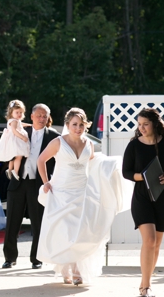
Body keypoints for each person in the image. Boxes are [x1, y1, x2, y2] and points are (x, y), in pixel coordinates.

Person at [36, 108, 125, 284]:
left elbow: (93, 162)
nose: (78, 128)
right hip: (61, 192)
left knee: (81, 231)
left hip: (82, 192)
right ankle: (66, 267)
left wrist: (110, 165)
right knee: (65, 231)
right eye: (74, 124)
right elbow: (41, 160)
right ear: (68, 125)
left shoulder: (89, 144)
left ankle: (76, 269)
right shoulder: (58, 142)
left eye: (81, 125)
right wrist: (46, 182)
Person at [122, 108, 164, 297]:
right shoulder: (133, 146)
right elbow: (126, 172)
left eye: (145, 124)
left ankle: (145, 281)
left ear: (155, 124)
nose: (141, 128)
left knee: (156, 245)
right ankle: (146, 287)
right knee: (149, 241)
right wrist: (144, 177)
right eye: (139, 124)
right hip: (141, 198)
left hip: (162, 198)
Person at [2, 103, 58, 269]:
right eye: (39, 115)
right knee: (12, 220)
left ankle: (37, 258)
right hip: (19, 181)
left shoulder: (54, 136)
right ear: (31, 116)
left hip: (39, 184)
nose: (41, 119)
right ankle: (9, 257)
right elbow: (8, 151)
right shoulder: (21, 131)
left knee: (38, 221)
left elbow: (57, 161)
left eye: (44, 116)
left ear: (48, 118)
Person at [0, 99, 30, 181]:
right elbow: (14, 130)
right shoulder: (14, 121)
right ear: (11, 112)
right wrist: (22, 137)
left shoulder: (16, 121)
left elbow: (21, 124)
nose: (19, 114)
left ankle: (10, 170)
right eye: (17, 112)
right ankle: (15, 171)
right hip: (15, 141)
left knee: (13, 157)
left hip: (13, 141)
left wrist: (29, 125)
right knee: (19, 157)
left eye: (21, 112)